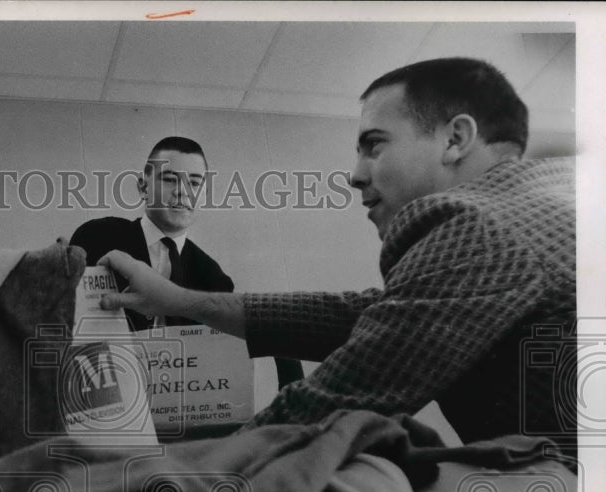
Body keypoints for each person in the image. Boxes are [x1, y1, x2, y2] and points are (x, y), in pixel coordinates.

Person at [99, 58, 576, 456]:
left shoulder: (477, 228)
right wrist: (182, 300)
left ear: (455, 140)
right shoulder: (544, 203)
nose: (353, 175)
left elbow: (332, 397)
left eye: (374, 145)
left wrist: (151, 481)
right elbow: (373, 315)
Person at [71, 135, 303, 387]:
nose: (183, 191)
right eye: (170, 179)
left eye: (194, 182)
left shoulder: (213, 276)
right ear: (143, 187)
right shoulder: (97, 237)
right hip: (105, 393)